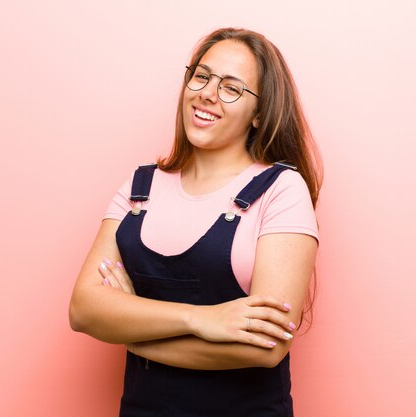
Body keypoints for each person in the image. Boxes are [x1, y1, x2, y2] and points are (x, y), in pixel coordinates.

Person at [69, 27, 322, 417]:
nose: (206, 93)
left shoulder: (282, 190)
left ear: (259, 113)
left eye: (231, 88)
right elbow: (84, 310)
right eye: (201, 76)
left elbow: (267, 346)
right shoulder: (140, 188)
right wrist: (203, 319)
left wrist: (134, 333)